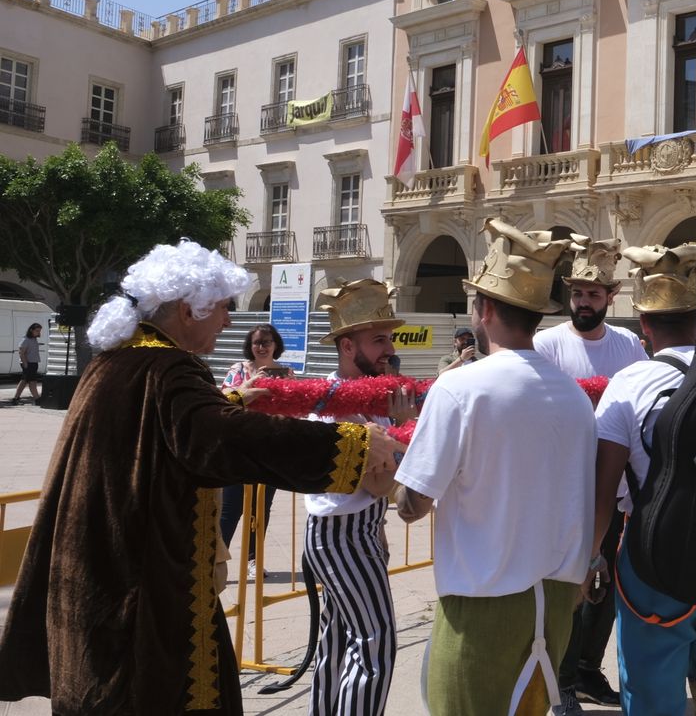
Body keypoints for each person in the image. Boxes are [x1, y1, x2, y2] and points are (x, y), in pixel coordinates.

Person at [0, 241, 401, 715]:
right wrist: (349, 446)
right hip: (139, 581)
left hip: (106, 564)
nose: (230, 322)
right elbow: (217, 439)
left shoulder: (124, 359)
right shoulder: (167, 368)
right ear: (191, 310)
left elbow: (167, 429)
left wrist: (228, 402)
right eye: (225, 309)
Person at [395, 220, 596, 715]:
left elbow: (412, 506)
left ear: (484, 310)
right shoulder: (573, 395)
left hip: (483, 600)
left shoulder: (460, 387)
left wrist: (391, 455)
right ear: (537, 316)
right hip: (555, 605)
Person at [587, 242, 696, 716]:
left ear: (643, 326)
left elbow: (604, 490)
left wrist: (588, 559)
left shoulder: (629, 384)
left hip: (653, 557)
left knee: (651, 694)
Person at [532, 237, 645, 714]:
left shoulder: (630, 346)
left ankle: (587, 670)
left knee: (607, 590)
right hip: (565, 490)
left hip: (615, 489)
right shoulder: (547, 343)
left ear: (610, 298)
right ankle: (559, 684)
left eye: (593, 295)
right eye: (577, 294)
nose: (583, 302)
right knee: (568, 589)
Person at [305, 279, 415, 716]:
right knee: (376, 642)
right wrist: (402, 431)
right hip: (340, 536)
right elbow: (378, 483)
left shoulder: (366, 399)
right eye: (379, 340)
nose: (389, 348)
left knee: (338, 640)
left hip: (356, 532)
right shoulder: (335, 404)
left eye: (389, 337)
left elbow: (378, 489)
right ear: (348, 346)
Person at [219, 324, 288, 580]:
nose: (262, 346)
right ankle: (215, 560)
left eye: (267, 341)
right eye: (257, 342)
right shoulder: (238, 370)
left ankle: (252, 561)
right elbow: (222, 397)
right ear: (250, 345)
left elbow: (294, 408)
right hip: (238, 447)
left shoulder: (284, 373)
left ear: (275, 344)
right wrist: (249, 384)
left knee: (261, 509)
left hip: (269, 450)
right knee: (230, 507)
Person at [10, 322, 42, 405]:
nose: (39, 333)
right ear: (31, 330)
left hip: (33, 363)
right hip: (29, 363)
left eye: (39, 331)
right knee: (32, 381)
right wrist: (25, 364)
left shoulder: (34, 339)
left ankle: (16, 398)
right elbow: (21, 352)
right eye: (37, 331)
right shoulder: (26, 339)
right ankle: (37, 399)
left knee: (24, 381)